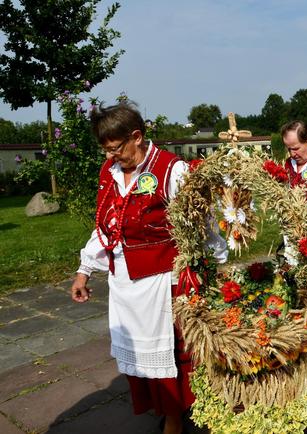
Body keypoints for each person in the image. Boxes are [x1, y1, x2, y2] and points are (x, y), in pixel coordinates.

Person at [70, 102, 226, 434]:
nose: (112, 156)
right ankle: (159, 407)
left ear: (137, 137)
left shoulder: (172, 170)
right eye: (107, 150)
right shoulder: (109, 173)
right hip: (124, 283)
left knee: (171, 353)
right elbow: (105, 226)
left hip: (161, 281)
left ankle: (175, 417)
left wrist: (213, 266)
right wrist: (85, 270)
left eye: (116, 149)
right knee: (140, 357)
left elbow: (206, 222)